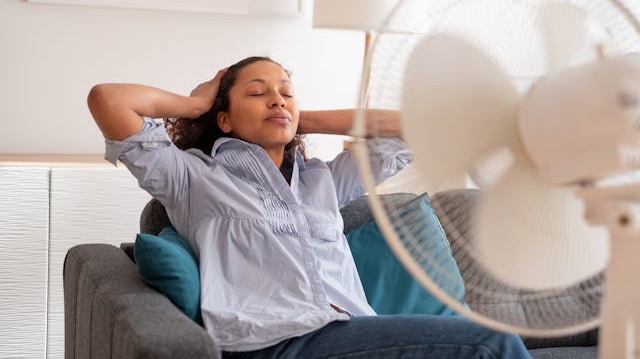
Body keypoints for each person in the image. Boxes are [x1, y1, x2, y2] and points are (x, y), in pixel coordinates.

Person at [88, 56, 530, 358]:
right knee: (493, 345)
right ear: (224, 119)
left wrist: (301, 116)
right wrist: (197, 103)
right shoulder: (192, 178)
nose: (277, 98)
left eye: (286, 91)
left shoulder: (322, 179)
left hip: (344, 333)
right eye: (257, 93)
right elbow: (108, 99)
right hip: (270, 341)